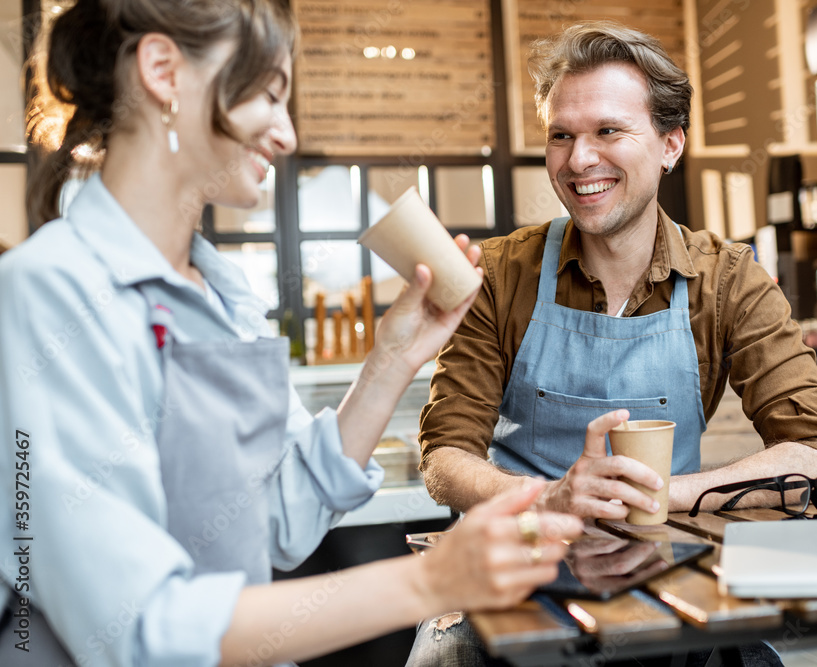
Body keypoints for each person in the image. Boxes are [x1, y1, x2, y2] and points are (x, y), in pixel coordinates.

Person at [0, 2, 582, 666]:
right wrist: (432, 578)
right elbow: (138, 628)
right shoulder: (46, 293)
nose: (286, 132)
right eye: (270, 95)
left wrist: (395, 353)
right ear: (163, 71)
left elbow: (275, 520)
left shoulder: (220, 292)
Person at [409, 20, 817, 666]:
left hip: (663, 570)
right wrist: (551, 500)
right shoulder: (502, 273)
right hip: (508, 575)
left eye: (608, 131)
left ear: (672, 143)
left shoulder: (727, 279)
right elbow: (446, 457)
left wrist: (656, 496)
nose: (579, 159)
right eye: (561, 135)